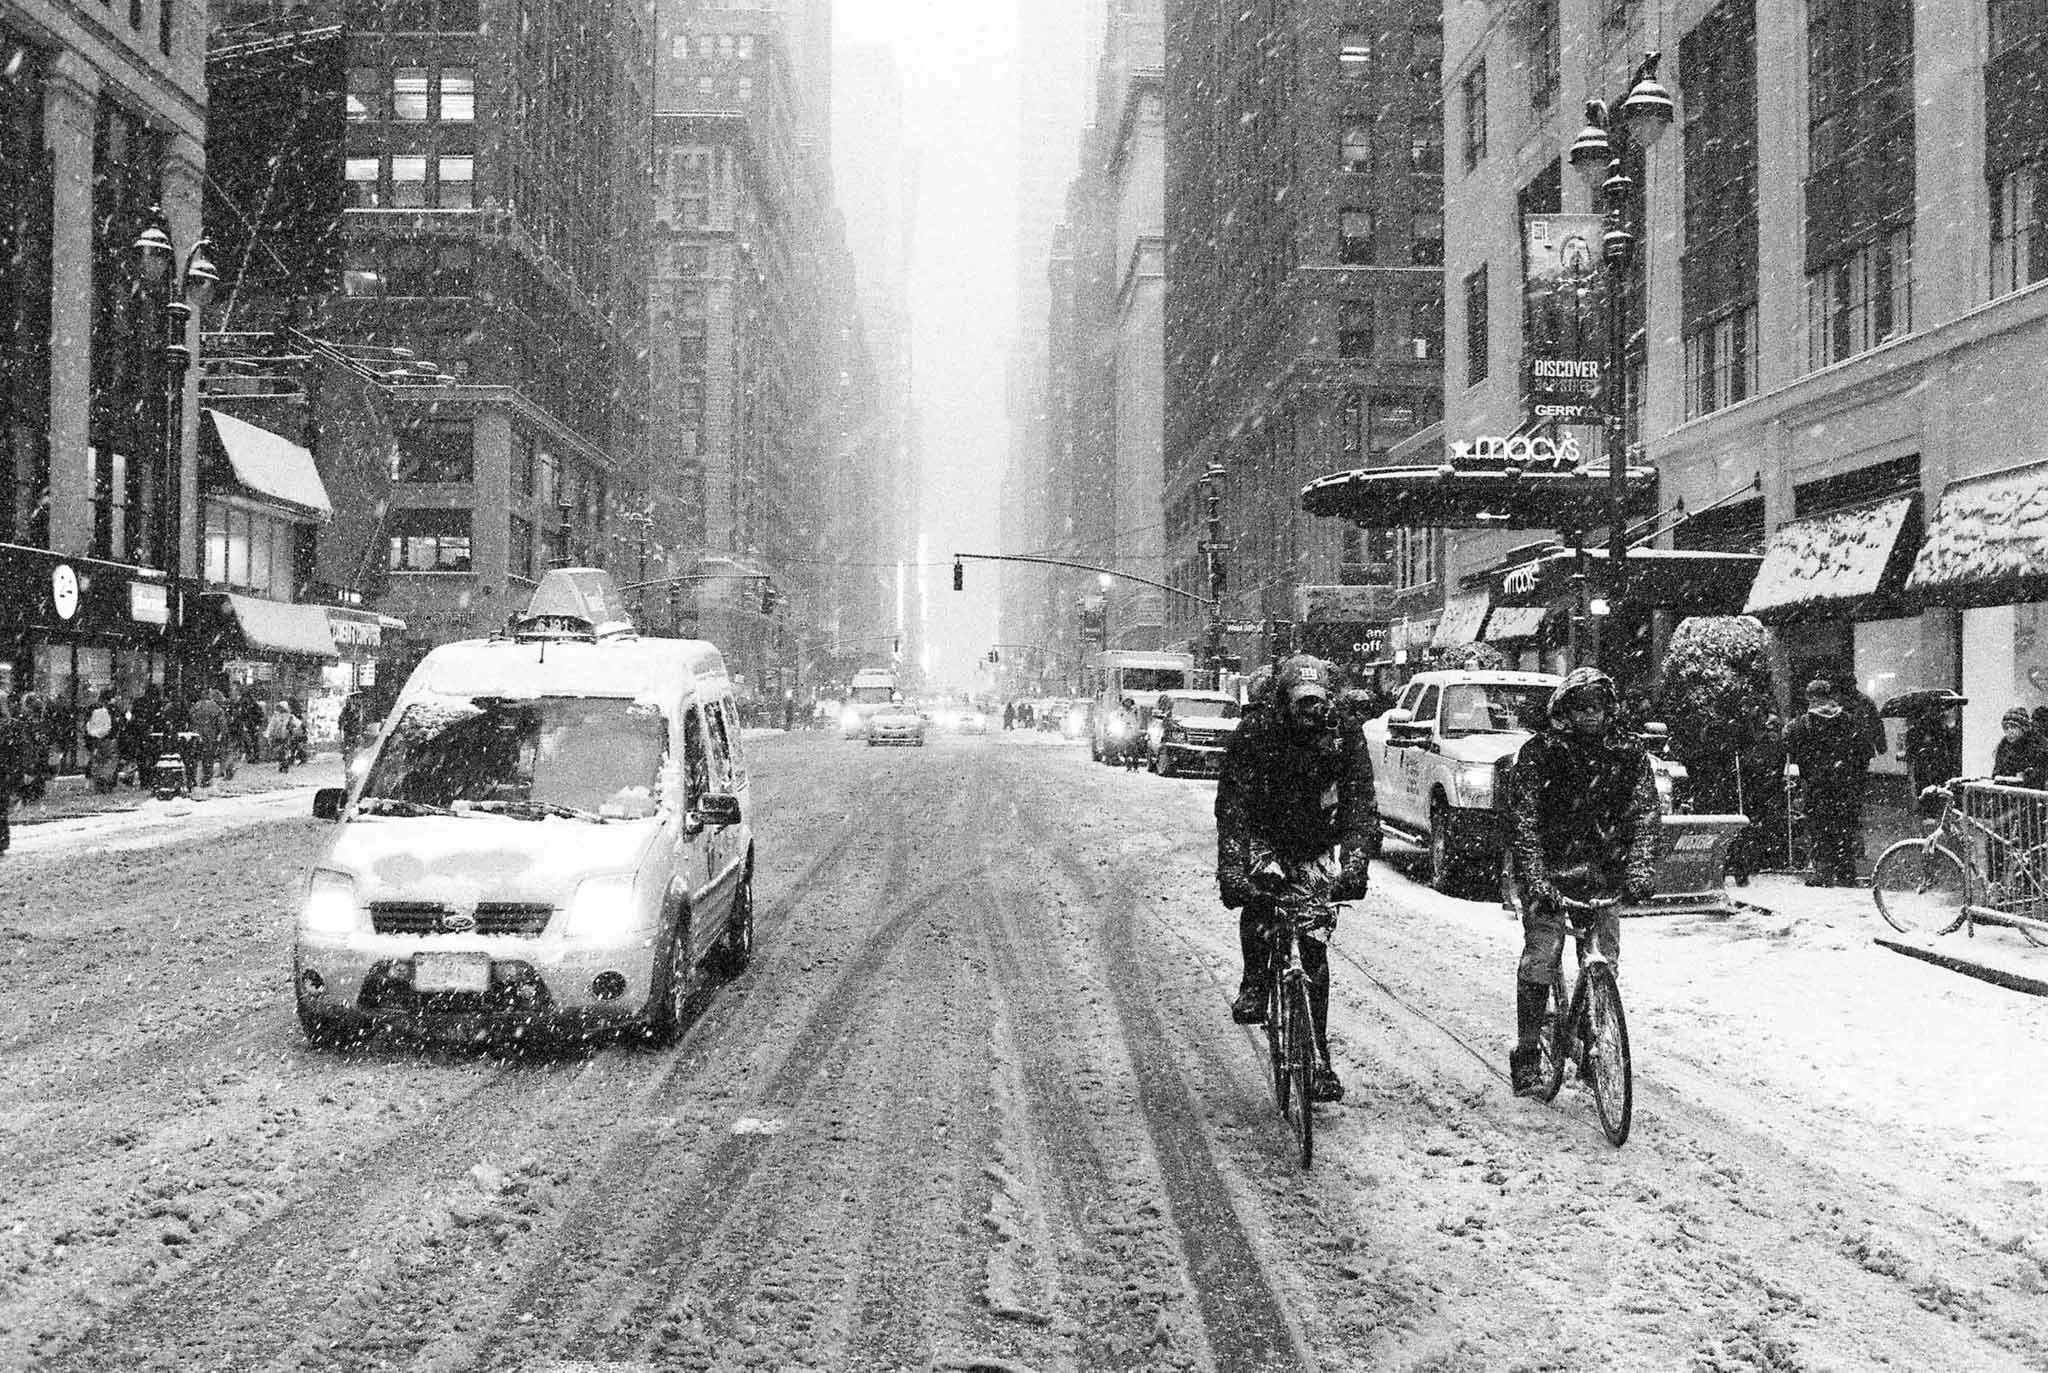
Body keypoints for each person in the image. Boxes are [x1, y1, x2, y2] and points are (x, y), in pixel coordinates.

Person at [1215, 654, 1378, 1104]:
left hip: (1314, 840)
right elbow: (1233, 805)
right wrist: (1233, 868)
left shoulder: (1343, 734)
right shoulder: (1256, 732)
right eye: (1300, 703)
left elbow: (1360, 803)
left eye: (1316, 704)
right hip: (1266, 834)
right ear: (1283, 701)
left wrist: (1355, 862)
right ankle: (1254, 981)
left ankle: (1319, 1056)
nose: (1309, 713)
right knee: (1262, 898)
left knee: (1313, 948)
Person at [1504, 668, 1661, 1097]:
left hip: (1603, 874)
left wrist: (1640, 869)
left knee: (1603, 960)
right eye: (1581, 706)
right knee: (1541, 956)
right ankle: (1528, 1052)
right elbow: (1525, 822)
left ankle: (1594, 1045)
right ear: (1566, 711)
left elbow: (1645, 815)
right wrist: (1536, 880)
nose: (1591, 715)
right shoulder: (1539, 754)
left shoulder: (1629, 755)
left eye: (1598, 706)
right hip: (1552, 874)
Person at [1783, 679, 1875, 887]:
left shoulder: (1803, 724)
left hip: (1817, 786)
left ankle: (1823, 871)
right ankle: (1846, 872)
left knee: (1820, 827)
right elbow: (1865, 750)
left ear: (1810, 697)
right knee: (1845, 826)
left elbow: (1789, 745)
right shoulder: (1848, 720)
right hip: (1846, 784)